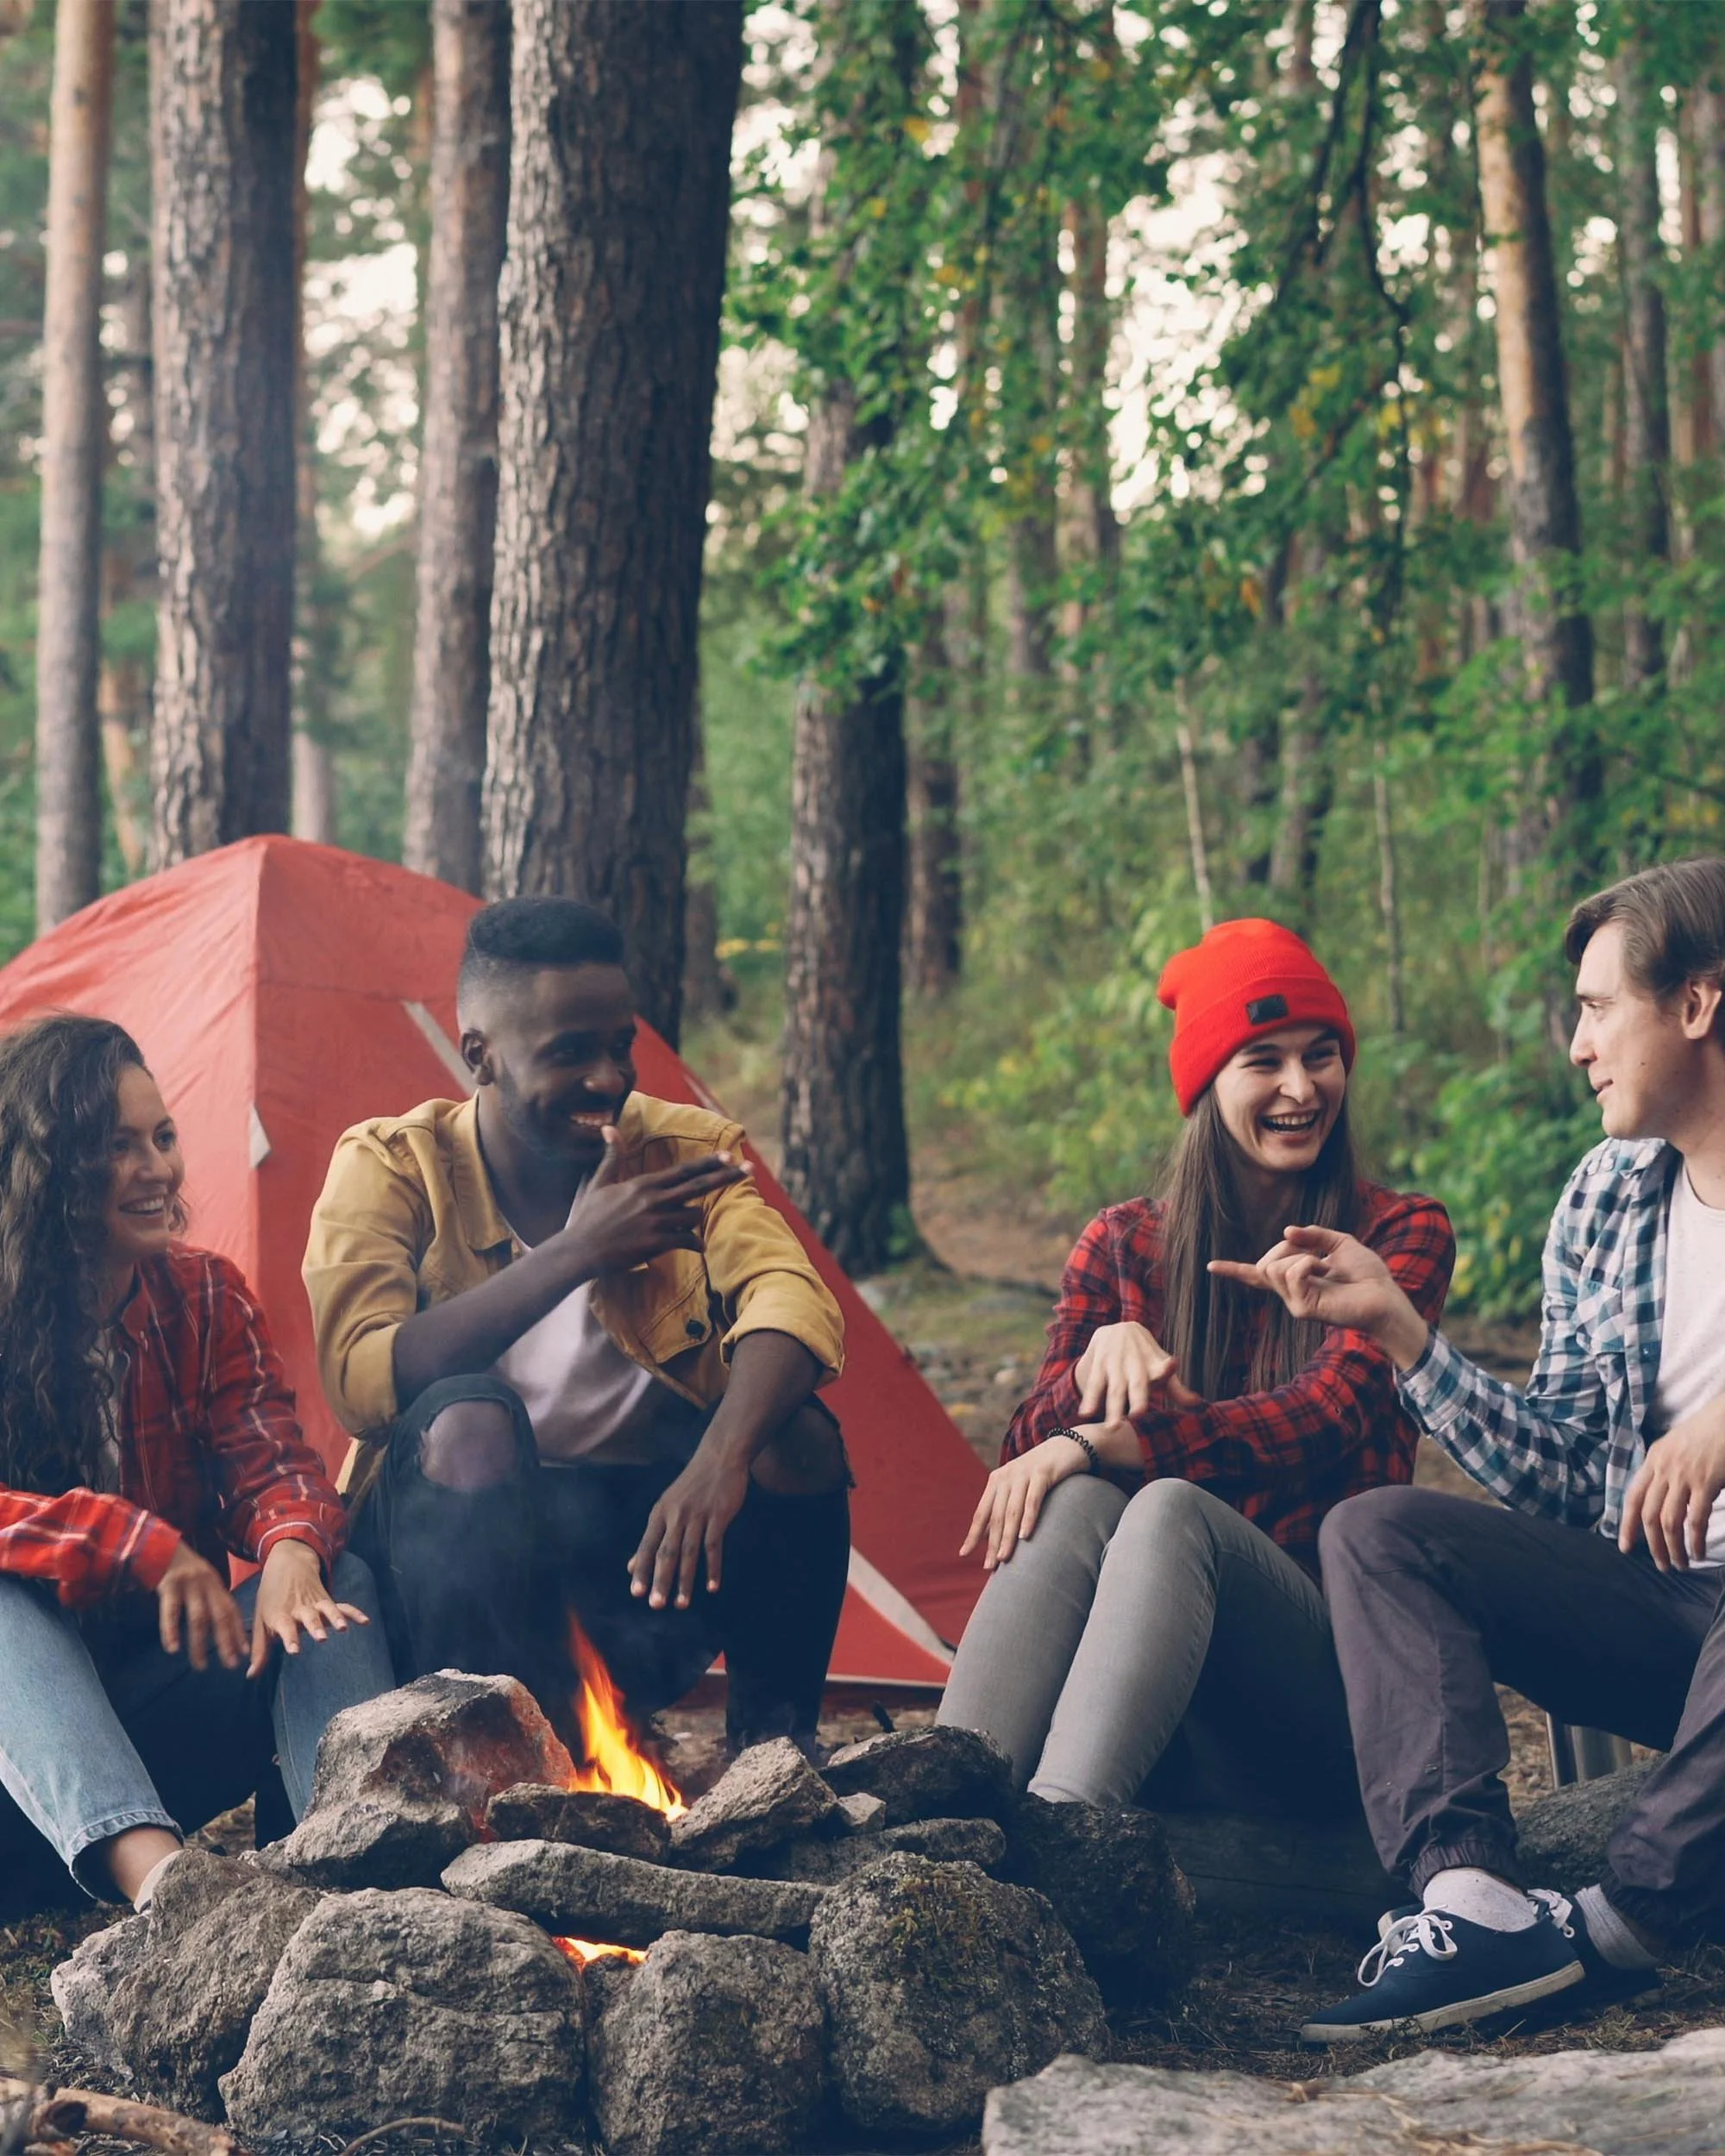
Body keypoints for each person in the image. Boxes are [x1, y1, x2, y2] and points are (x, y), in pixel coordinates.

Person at [1225, 857, 1725, 2043]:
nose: (1576, 1045)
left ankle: (1621, 1927)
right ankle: (1474, 1898)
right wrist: (1402, 1334)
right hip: (1669, 1626)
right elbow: (1560, 1476)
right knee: (1379, 1532)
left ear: (1699, 1004)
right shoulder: (1607, 1199)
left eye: (1600, 1008)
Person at [304, 897, 850, 1758]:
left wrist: (720, 1461)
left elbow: (792, 1299)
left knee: (796, 1435)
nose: (607, 1077)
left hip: (638, 1563)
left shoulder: (681, 1154)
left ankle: (773, 1756)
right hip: (446, 1577)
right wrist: (575, 1252)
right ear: (479, 1054)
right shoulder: (391, 1164)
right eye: (568, 1052)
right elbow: (361, 1379)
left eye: (619, 1044)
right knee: (469, 1421)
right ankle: (486, 1762)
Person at [937, 919, 1454, 1820]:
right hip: (1157, 1697)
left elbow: (1322, 1414)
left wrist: (1109, 1439)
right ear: (1206, 1084)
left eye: (1320, 1055)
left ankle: (1065, 1837)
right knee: (1079, 1496)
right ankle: (941, 1824)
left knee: (1167, 1505)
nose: (1301, 1087)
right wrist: (1086, 1380)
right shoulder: (1123, 1242)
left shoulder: (1397, 1235)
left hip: (1323, 1685)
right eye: (1263, 1060)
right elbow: (1026, 1460)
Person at [0, 1015, 393, 1914]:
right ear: (47, 1168)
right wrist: (125, 1539)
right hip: (19, 1780)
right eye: (118, 1147)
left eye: (163, 1138)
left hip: (156, 1726)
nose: (158, 1169)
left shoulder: (206, 1295)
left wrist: (291, 1544)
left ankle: (361, 1869)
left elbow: (273, 1462)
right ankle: (171, 1900)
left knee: (335, 1583)